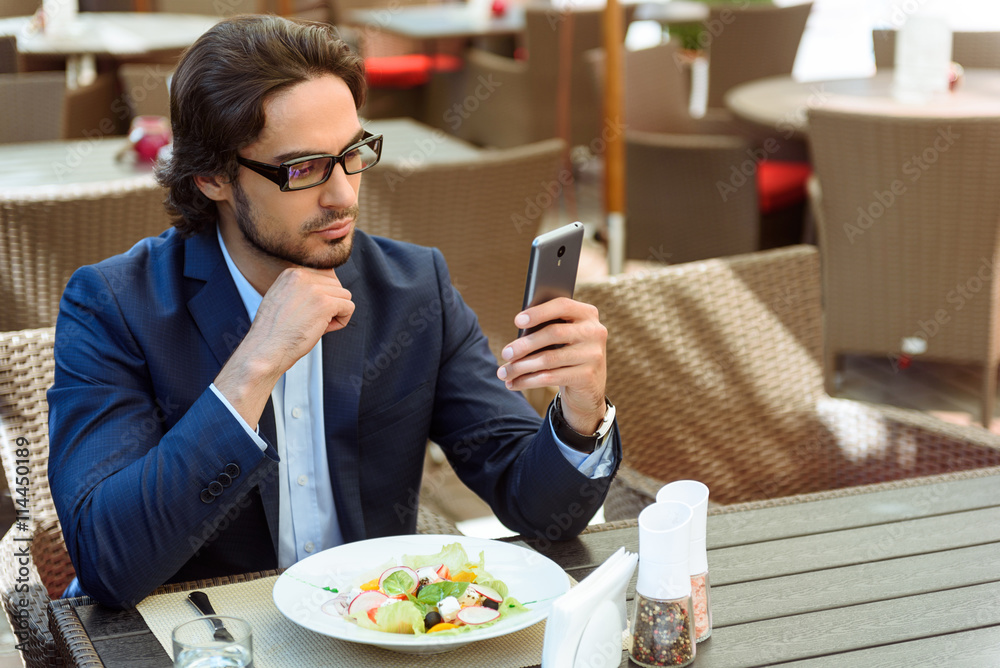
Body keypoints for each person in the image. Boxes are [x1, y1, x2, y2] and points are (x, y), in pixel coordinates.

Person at [47, 15, 620, 609]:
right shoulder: (113, 306)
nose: (343, 193)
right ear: (213, 177)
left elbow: (541, 509)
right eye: (303, 169)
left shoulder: (412, 287)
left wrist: (582, 412)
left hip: (369, 633)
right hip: (209, 637)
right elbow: (107, 562)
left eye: (352, 154)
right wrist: (253, 366)